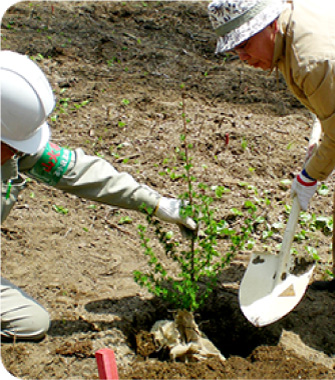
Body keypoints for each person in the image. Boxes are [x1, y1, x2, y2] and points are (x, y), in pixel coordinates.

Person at [208, 0, 335, 376]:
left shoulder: (313, 56)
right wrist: (328, 123)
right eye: (234, 49)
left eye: (245, 43)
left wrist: (310, 174)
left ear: (270, 27)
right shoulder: (294, 31)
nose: (242, 56)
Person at [0, 50, 196, 341]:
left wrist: (156, 204)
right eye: (12, 145)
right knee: (29, 323)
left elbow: (76, 171)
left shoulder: (11, 147)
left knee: (30, 322)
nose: (19, 152)